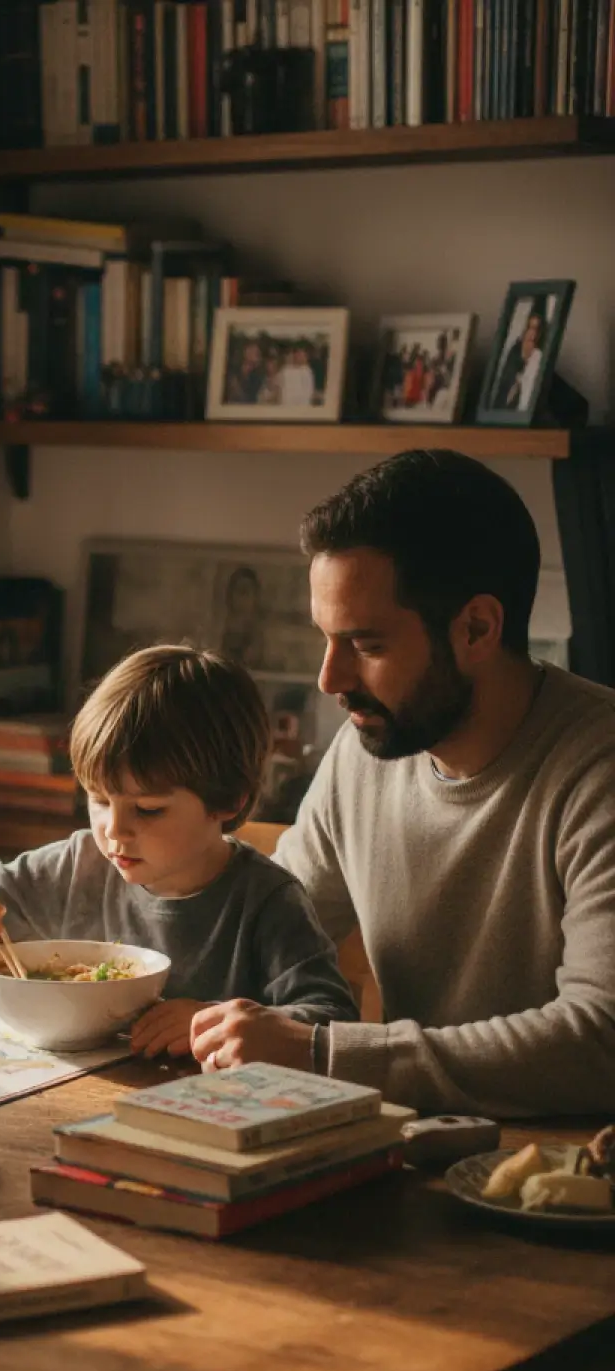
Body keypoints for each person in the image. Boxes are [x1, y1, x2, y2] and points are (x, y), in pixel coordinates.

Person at [188, 451, 615, 1116]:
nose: (330, 680)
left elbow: (601, 1041)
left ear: (476, 628)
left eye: (367, 645)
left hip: (574, 1178)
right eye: (326, 639)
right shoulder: (367, 750)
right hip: (414, 1150)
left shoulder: (599, 768)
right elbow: (263, 938)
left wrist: (323, 1054)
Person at [0, 646, 358, 1060]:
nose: (114, 829)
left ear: (229, 801)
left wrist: (213, 1018)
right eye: (98, 800)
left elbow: (334, 1020)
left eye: (147, 809)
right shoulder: (79, 864)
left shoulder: (265, 899)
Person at [489, 304, 544, 412]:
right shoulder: (515, 350)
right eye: (530, 328)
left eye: (536, 329)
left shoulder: (538, 355)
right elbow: (505, 382)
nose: (532, 333)